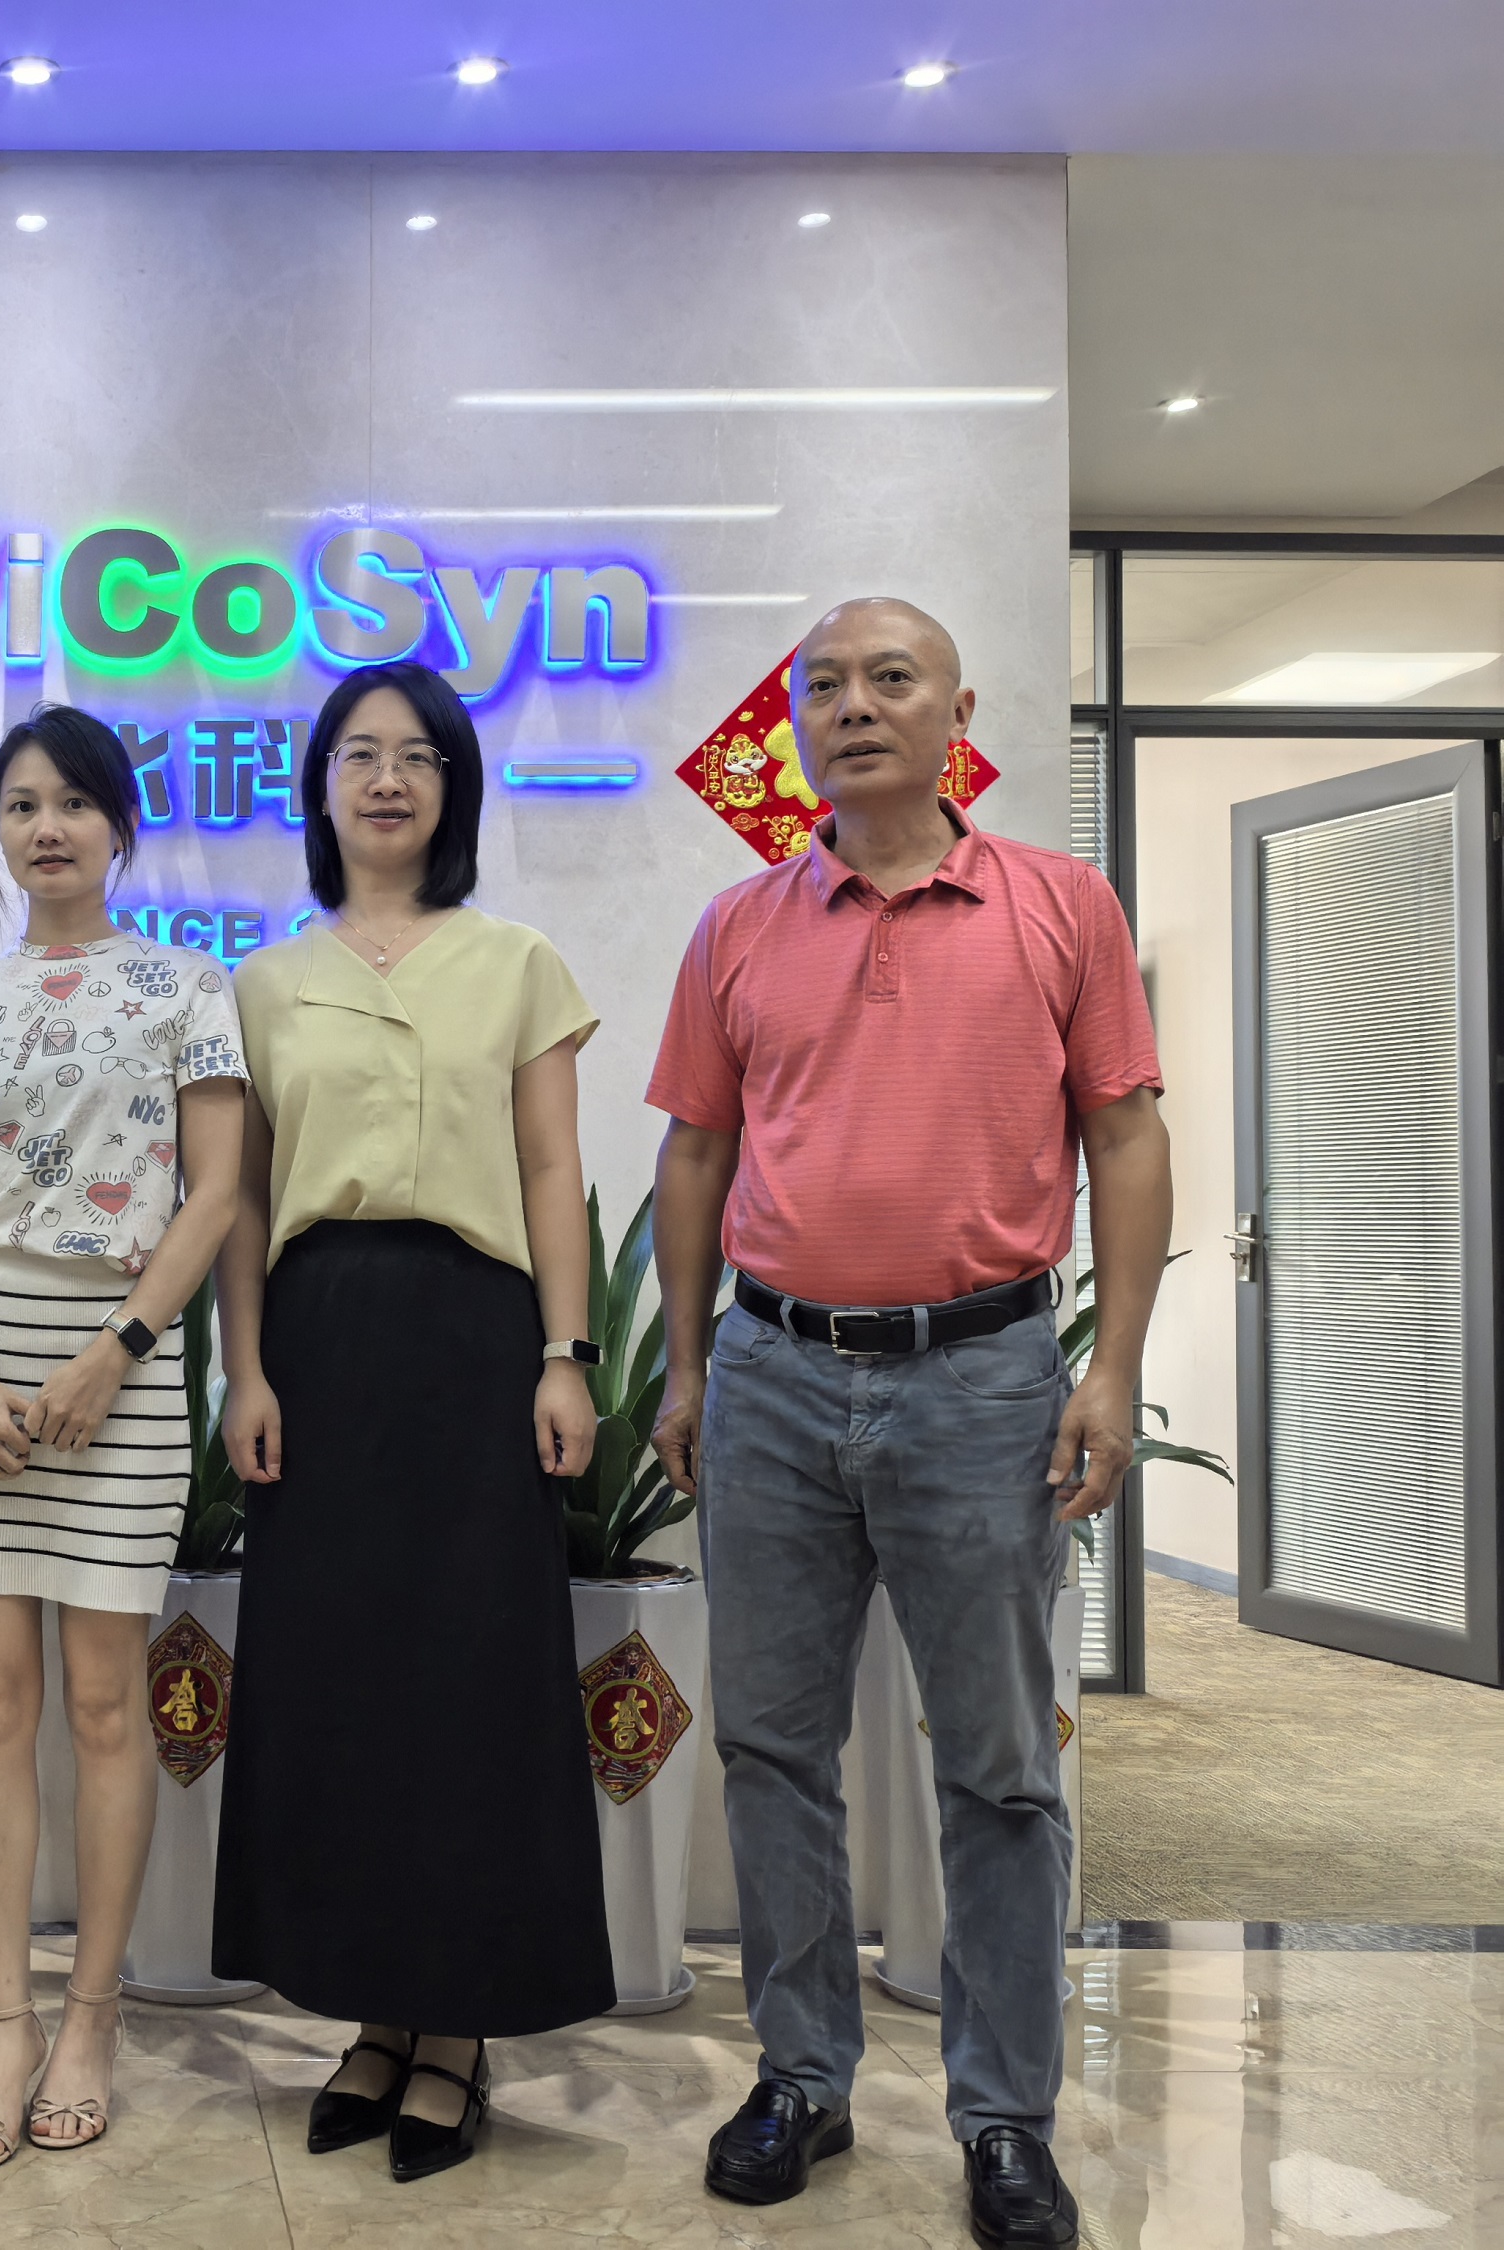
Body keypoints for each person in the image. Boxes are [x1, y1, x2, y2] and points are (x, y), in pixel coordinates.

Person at [648, 598, 1168, 2250]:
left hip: (985, 1380)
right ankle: (801, 2076)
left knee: (1001, 1767)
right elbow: (694, 1156)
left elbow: (1126, 1138)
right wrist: (684, 1369)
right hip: (773, 1375)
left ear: (960, 710)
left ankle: (1005, 2116)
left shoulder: (1060, 905)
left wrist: (1110, 1368)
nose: (855, 706)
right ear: (794, 723)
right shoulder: (740, 923)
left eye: (891, 679)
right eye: (825, 686)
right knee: (770, 1746)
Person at [209, 660, 616, 2185]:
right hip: (320, 1342)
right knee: (343, 1687)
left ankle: (457, 2027)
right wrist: (246, 1369)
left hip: (475, 1341)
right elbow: (242, 1197)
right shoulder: (266, 981)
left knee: (470, 1682)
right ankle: (375, 2015)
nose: (388, 779)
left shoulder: (516, 963)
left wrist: (565, 1355)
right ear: (319, 785)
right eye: (360, 754)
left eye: (419, 756)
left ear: (454, 788)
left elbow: (553, 1168)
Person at [0, 706, 248, 2169]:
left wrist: (121, 1351)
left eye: (76, 803)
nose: (48, 828)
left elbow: (216, 1192)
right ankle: (4, 2024)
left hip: (123, 1365)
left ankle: (91, 2018)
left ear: (120, 826)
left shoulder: (186, 986)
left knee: (107, 1705)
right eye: (22, 805)